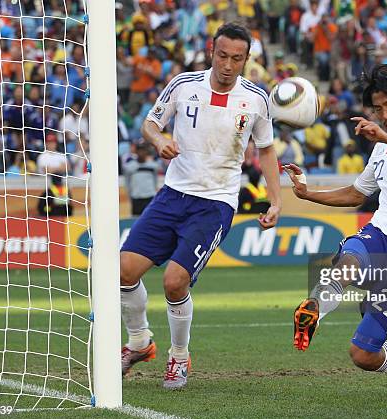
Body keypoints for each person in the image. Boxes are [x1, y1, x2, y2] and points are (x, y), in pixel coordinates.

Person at [120, 23, 281, 389]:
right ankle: (140, 343)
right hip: (172, 194)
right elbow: (150, 123)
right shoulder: (183, 84)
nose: (227, 64)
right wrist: (159, 140)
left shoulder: (256, 99)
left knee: (174, 282)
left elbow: (266, 149)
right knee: (123, 271)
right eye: (222, 55)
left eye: (236, 59)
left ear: (246, 59)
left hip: (216, 202)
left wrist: (276, 198)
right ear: (212, 50)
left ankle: (178, 356)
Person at [285, 64, 387, 396]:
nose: (384, 114)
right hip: (380, 234)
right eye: (378, 108)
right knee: (350, 259)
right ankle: (315, 312)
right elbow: (356, 194)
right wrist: (308, 194)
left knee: (363, 354)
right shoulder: (381, 148)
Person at [122, 140, 160, 216]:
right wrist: (130, 193)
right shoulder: (130, 167)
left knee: (150, 217)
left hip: (150, 197)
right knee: (135, 220)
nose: (141, 153)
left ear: (146, 152)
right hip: (136, 198)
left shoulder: (153, 166)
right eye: (139, 150)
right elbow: (127, 181)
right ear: (136, 152)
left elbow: (155, 179)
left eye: (143, 150)